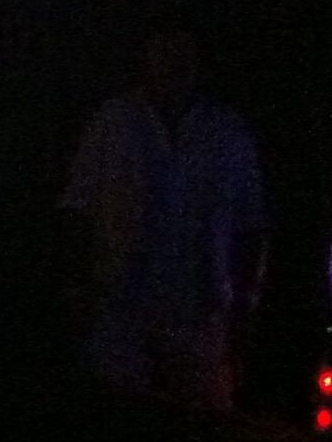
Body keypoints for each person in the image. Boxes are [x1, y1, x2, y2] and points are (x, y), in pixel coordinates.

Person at [61, 24, 268, 412]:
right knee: (117, 405)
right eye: (164, 51)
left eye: (183, 52)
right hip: (120, 296)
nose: (174, 62)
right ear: (146, 57)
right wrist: (76, 283)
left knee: (200, 411)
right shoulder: (114, 122)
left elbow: (249, 223)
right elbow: (79, 206)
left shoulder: (227, 132)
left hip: (199, 303)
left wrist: (244, 302)